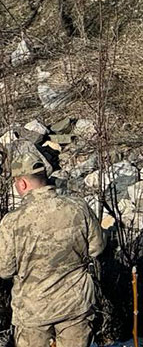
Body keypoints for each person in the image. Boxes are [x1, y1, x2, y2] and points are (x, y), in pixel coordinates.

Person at [0, 144, 104, 347]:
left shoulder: (12, 222)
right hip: (75, 304)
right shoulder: (78, 207)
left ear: (21, 184)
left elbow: (4, 269)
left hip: (33, 311)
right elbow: (97, 248)